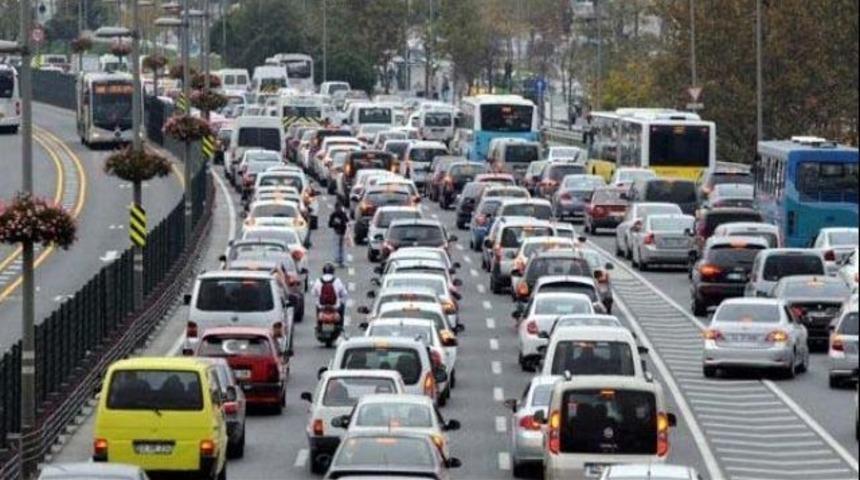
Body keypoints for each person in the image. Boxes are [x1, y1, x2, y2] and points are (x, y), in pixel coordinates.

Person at [329, 201, 349, 267]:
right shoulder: (342, 214)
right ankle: (341, 260)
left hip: (339, 232)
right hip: (340, 232)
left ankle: (339, 260)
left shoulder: (334, 214)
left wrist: (335, 224)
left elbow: (330, 224)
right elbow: (347, 221)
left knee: (339, 246)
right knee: (341, 247)